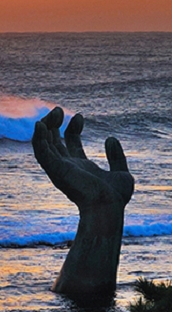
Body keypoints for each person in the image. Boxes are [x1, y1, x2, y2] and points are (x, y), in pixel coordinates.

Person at [31, 107, 135, 299]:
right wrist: (106, 207)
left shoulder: (108, 195)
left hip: (79, 293)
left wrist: (102, 206)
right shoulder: (111, 194)